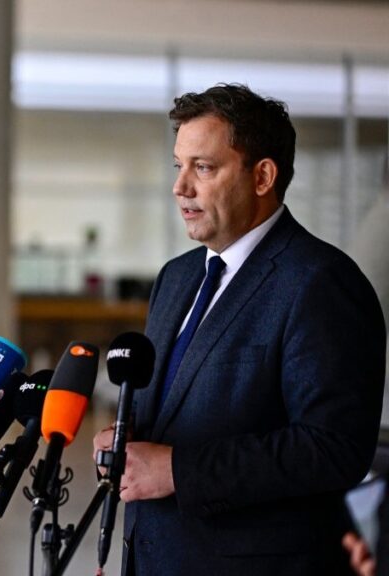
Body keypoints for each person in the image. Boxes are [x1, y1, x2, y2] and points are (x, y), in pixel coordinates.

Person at [92, 84, 386, 575]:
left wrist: (177, 470)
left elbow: (335, 447)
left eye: (202, 168)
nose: (180, 187)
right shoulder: (177, 277)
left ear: (263, 176)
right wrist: (126, 440)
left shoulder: (320, 283)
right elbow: (175, 413)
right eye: (178, 166)